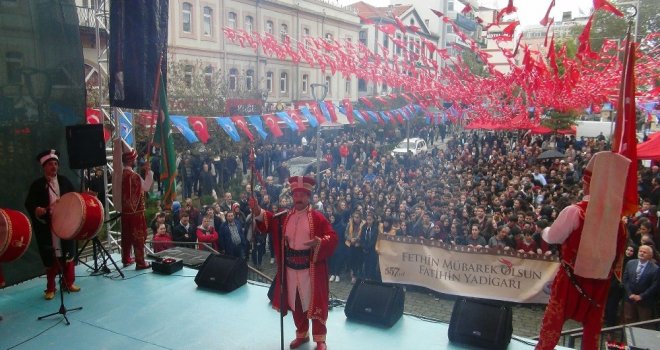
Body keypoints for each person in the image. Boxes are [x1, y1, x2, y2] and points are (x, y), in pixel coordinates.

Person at [536, 152, 629, 350]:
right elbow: (619, 254)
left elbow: (554, 237)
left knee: (553, 324)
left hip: (570, 280)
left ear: (587, 183)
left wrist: (543, 230)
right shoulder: (619, 223)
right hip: (600, 284)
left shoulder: (575, 211)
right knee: (592, 330)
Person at [251, 176, 338, 350]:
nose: (299, 198)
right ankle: (301, 334)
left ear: (309, 196)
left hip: (310, 270)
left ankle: (320, 340)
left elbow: (333, 237)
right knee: (297, 303)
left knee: (315, 303)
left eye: (303, 195)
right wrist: (256, 209)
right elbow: (268, 220)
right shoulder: (285, 216)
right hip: (290, 269)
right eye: (296, 195)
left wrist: (320, 242)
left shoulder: (318, 218)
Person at [25, 149, 81, 300]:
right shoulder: (37, 185)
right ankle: (50, 288)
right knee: (52, 255)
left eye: (55, 164)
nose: (54, 167)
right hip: (48, 226)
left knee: (68, 252)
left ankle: (68, 283)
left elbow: (74, 198)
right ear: (44, 167)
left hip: (66, 223)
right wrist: (38, 209)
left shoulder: (64, 182)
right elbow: (30, 203)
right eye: (50, 164)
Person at [120, 147, 153, 270]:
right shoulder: (135, 176)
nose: (136, 160)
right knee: (139, 237)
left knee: (126, 236)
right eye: (135, 159)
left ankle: (126, 259)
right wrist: (149, 172)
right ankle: (140, 262)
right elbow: (146, 187)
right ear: (131, 161)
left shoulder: (120, 175)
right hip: (136, 212)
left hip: (125, 212)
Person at [621, 245, 659, 325]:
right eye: (640, 251)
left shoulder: (655, 269)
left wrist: (641, 296)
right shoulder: (630, 263)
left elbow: (655, 286)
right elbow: (625, 279)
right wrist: (630, 294)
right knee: (628, 321)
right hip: (629, 299)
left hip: (645, 301)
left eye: (644, 252)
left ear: (650, 255)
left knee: (644, 324)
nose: (641, 253)